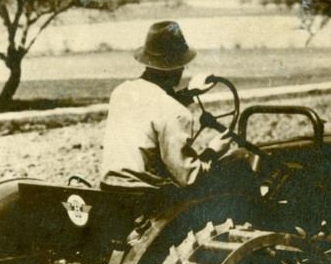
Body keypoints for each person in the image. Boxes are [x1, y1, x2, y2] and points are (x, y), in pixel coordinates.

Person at [100, 21, 233, 191]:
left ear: (147, 62)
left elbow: (152, 108)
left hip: (109, 188)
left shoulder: (121, 92)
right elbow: (189, 178)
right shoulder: (174, 111)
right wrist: (213, 152)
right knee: (237, 169)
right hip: (149, 196)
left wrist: (189, 93)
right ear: (178, 68)